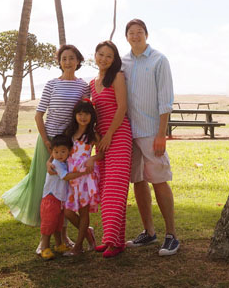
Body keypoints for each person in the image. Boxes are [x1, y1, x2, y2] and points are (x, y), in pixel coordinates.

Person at [2, 43, 89, 254]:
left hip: (70, 145)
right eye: (64, 58)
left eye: (71, 58)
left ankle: (64, 236)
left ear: (78, 62)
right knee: (47, 189)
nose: (67, 62)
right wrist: (46, 141)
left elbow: (86, 114)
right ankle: (44, 240)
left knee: (65, 191)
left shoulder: (83, 86)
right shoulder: (51, 84)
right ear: (59, 62)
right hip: (49, 142)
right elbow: (39, 115)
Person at [122, 18, 179, 256]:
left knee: (159, 180)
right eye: (131, 33)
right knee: (138, 181)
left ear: (146, 34)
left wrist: (161, 134)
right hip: (128, 133)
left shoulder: (159, 60)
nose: (135, 36)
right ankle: (149, 232)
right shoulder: (122, 62)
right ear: (127, 37)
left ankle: (172, 235)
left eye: (139, 32)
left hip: (151, 131)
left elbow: (165, 100)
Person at [89, 39, 133, 258]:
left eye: (109, 56)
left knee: (114, 190)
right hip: (102, 139)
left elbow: (122, 107)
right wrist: (98, 137)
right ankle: (117, 241)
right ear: (95, 55)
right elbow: (93, 114)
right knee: (106, 187)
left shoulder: (117, 77)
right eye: (101, 54)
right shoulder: (92, 82)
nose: (104, 59)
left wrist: (108, 135)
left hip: (119, 136)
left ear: (114, 60)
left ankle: (109, 240)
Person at [62, 99, 101, 255]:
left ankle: (78, 247)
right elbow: (60, 149)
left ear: (92, 116)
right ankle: (88, 234)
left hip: (85, 178)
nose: (83, 117)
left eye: (86, 114)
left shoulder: (92, 134)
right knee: (68, 212)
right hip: (72, 176)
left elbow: (103, 151)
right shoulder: (69, 132)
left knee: (84, 212)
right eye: (80, 114)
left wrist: (93, 158)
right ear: (75, 115)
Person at [39, 133, 86, 260]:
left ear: (69, 151)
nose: (59, 154)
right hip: (51, 198)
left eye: (63, 151)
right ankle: (44, 247)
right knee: (49, 223)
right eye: (56, 152)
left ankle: (59, 244)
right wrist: (81, 173)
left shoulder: (65, 163)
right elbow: (65, 176)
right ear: (52, 152)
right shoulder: (56, 164)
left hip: (60, 199)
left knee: (58, 223)